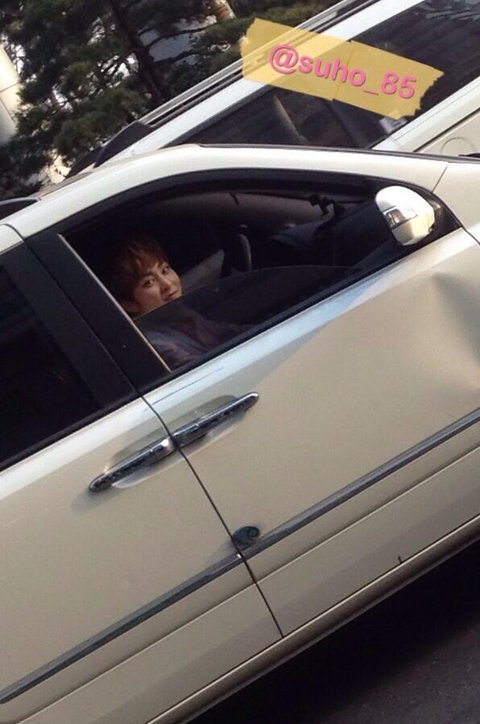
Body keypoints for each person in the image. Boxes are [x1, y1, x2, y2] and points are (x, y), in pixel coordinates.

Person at [105, 234, 243, 369]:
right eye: (149, 282)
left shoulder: (177, 315)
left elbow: (227, 332)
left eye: (165, 270)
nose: (167, 284)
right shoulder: (155, 345)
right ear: (129, 305)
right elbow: (208, 370)